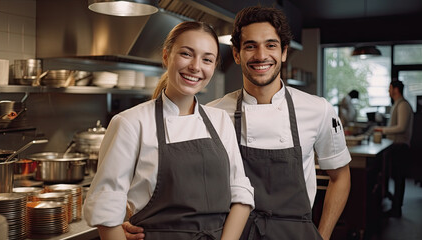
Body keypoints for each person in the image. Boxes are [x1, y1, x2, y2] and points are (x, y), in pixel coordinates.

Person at [123, 6, 351, 240]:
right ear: (236, 54)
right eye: (250, 46)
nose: (261, 55)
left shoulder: (318, 109)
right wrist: (132, 220)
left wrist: (322, 236)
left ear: (284, 52)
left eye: (271, 45)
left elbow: (340, 176)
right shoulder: (212, 115)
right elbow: (170, 178)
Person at [83, 21, 254, 240]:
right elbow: (105, 208)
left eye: (207, 59)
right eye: (186, 53)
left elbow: (241, 193)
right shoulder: (130, 123)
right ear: (166, 57)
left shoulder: (220, 121)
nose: (195, 66)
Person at [375, 80, 414, 218]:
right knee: (397, 177)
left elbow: (401, 127)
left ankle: (396, 209)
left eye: (390, 88)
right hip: (397, 146)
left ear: (395, 90)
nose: (388, 91)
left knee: (399, 178)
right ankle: (395, 205)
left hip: (401, 147)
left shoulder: (403, 105)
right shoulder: (398, 104)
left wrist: (382, 129)